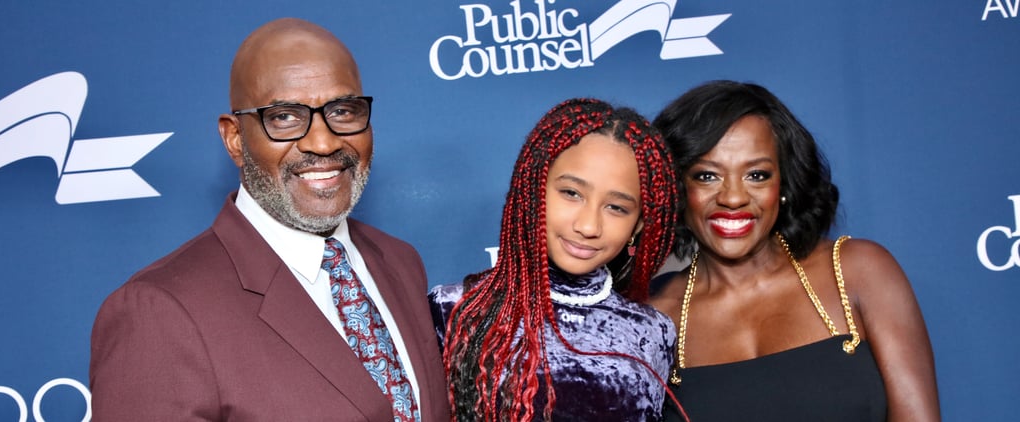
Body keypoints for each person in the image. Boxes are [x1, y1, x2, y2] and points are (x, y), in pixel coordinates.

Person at [89, 18, 450, 421]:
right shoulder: (159, 312)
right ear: (235, 139)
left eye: (343, 110)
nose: (323, 141)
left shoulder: (399, 261)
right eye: (284, 117)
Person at [649, 80, 940, 421]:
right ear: (676, 189)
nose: (732, 198)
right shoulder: (655, 315)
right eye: (706, 176)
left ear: (784, 184)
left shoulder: (858, 271)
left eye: (757, 175)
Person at [429, 98, 685, 421]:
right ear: (533, 188)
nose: (588, 226)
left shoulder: (653, 331)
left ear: (639, 225)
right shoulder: (452, 308)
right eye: (572, 194)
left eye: (616, 208)